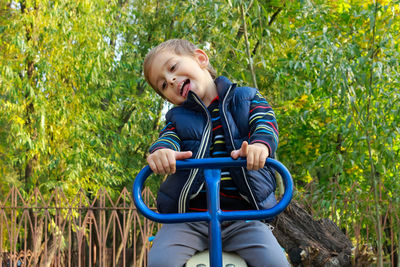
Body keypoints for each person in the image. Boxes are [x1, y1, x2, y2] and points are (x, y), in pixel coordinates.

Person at [143, 39, 289, 267]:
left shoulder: (246, 99)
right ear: (168, 99)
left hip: (243, 217)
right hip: (191, 219)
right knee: (160, 260)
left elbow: (265, 123)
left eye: (172, 68)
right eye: (162, 85)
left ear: (201, 59)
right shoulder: (177, 120)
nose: (170, 80)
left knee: (274, 262)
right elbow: (167, 140)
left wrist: (260, 146)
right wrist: (162, 153)